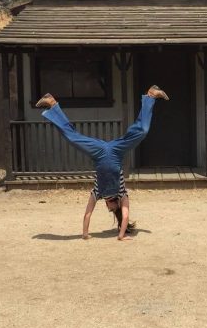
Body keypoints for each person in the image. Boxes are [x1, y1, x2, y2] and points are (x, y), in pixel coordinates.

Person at [35, 85, 169, 241]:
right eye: (112, 210)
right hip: (116, 152)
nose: (108, 208)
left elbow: (87, 214)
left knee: (72, 137)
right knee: (142, 131)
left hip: (98, 153)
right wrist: (121, 235)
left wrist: (85, 234)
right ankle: (151, 96)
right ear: (117, 206)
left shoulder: (97, 192)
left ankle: (52, 103)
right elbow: (125, 217)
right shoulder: (122, 193)